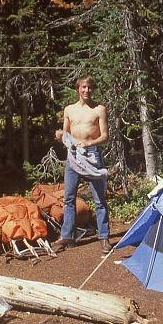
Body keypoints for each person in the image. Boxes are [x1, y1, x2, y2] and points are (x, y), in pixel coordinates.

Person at [53, 75, 112, 254]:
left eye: (90, 87)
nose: (87, 90)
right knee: (69, 198)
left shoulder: (99, 109)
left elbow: (105, 136)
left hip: (91, 155)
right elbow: (65, 132)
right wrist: (60, 135)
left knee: (99, 199)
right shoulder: (69, 109)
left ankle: (104, 238)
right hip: (72, 155)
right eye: (83, 87)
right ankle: (67, 237)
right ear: (78, 88)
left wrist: (90, 143)